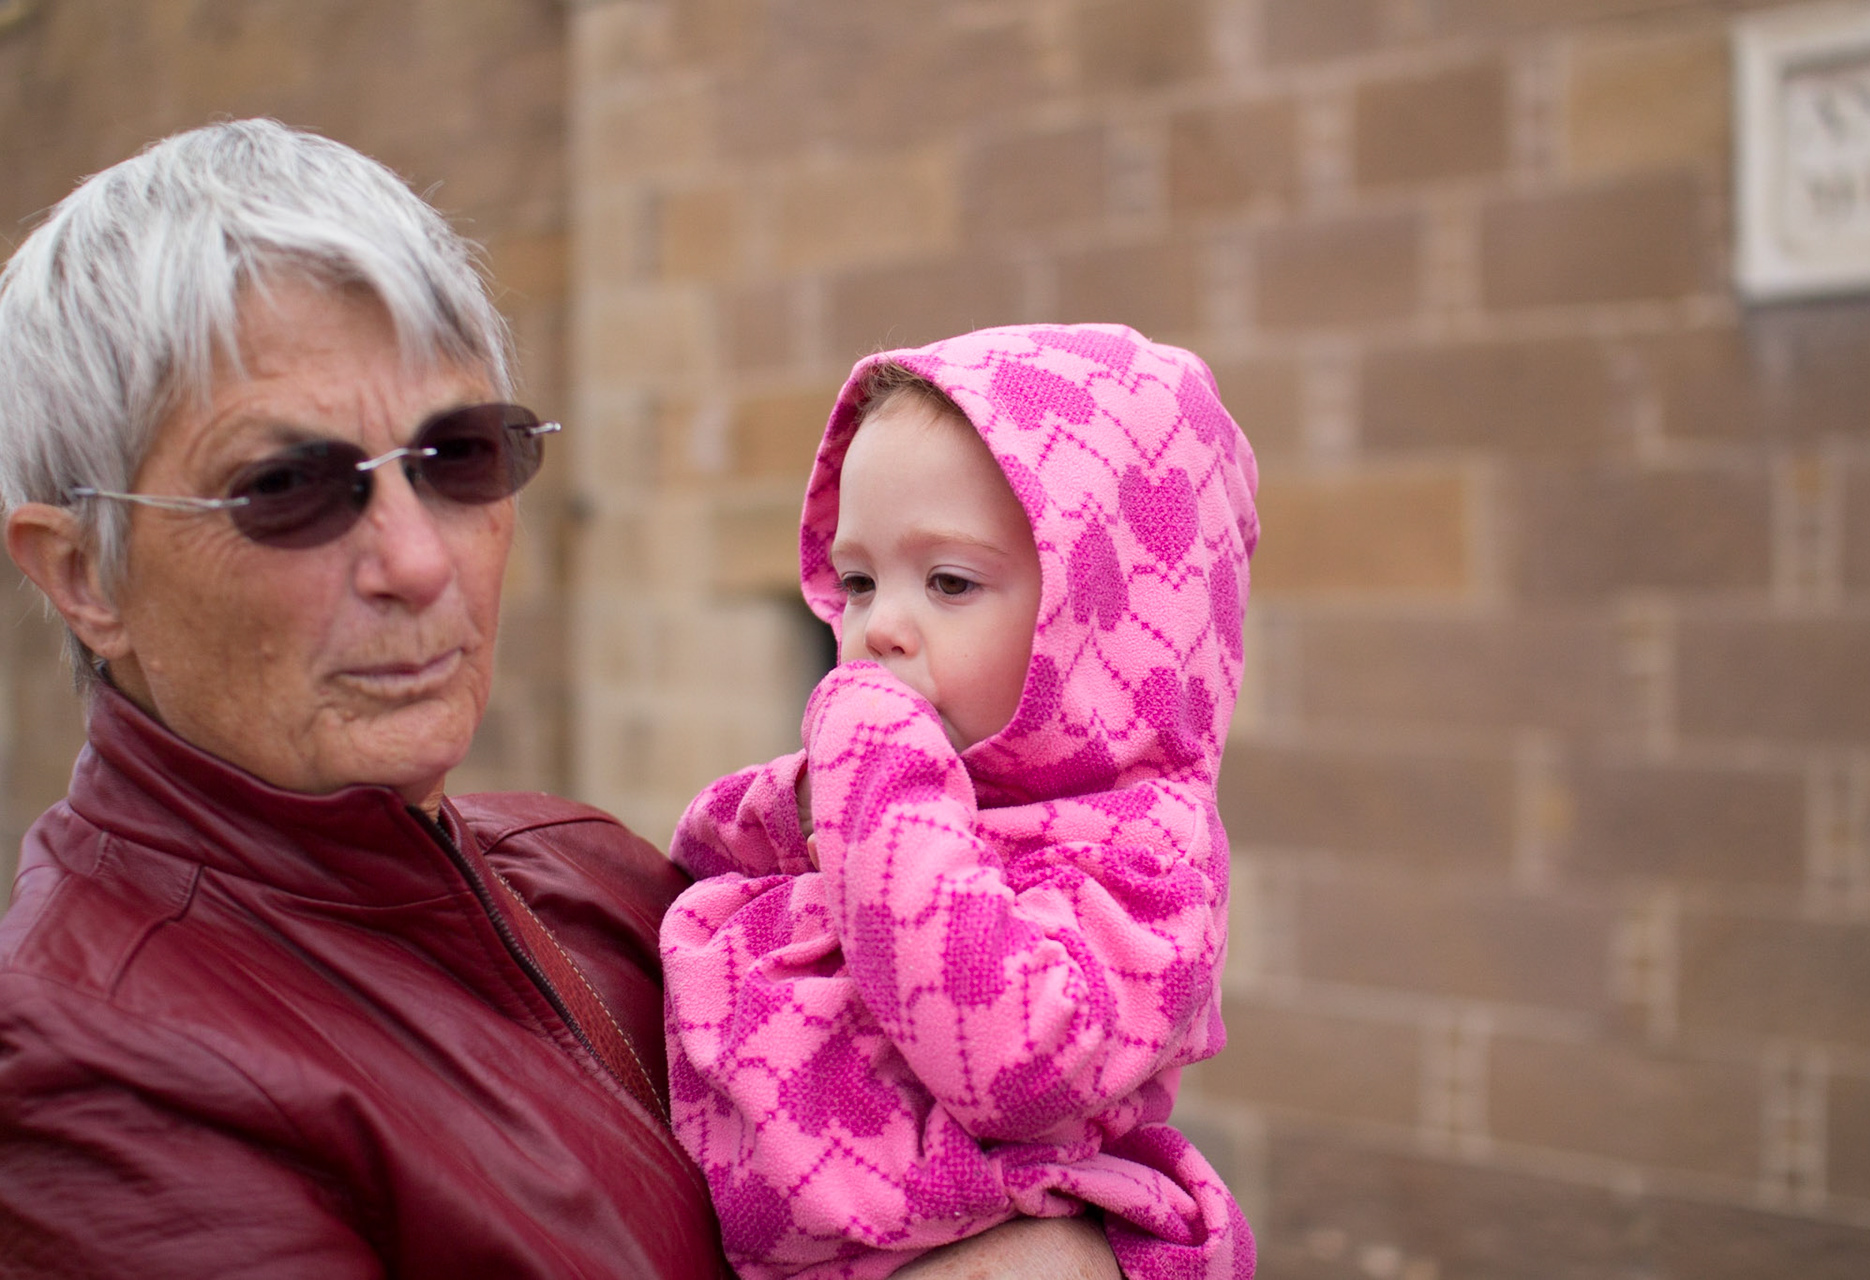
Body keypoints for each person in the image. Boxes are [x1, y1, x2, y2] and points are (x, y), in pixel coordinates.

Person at [0, 120, 1117, 1280]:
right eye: (286, 486)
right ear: (84, 575)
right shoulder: (90, 1052)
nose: (419, 561)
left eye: (458, 456)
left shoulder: (595, 872)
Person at [663, 325, 1262, 1279]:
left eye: (949, 582)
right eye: (859, 582)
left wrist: (872, 770)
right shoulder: (894, 783)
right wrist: (809, 796)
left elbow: (1015, 1061)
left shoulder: (1146, 856)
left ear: (1098, 610)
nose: (879, 628)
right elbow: (697, 854)